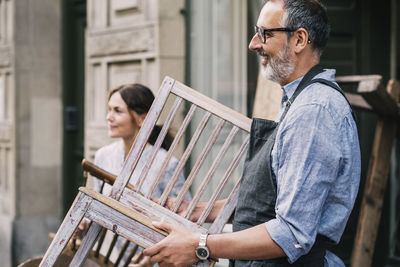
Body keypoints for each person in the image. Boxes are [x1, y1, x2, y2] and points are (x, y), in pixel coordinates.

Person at [142, 0, 361, 266]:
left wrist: (199, 245)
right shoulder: (298, 102)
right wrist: (197, 210)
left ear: (299, 39)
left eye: (265, 34)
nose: (253, 44)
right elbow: (271, 207)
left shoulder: (313, 111)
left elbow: (291, 233)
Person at [77, 83, 191, 266]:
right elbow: (99, 208)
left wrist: (151, 259)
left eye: (117, 111)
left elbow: (182, 224)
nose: (109, 117)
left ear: (142, 119)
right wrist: (84, 224)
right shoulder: (103, 156)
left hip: (161, 261)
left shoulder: (166, 163)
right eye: (109, 110)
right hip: (121, 261)